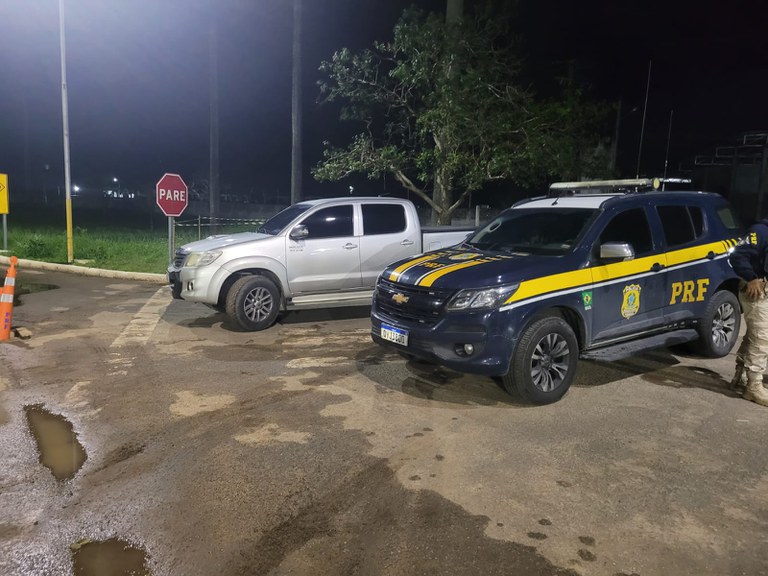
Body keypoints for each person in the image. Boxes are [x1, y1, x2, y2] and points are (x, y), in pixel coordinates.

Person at [729, 221, 768, 407]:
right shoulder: (760, 231)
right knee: (762, 338)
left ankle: (742, 373)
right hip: (756, 291)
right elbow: (737, 255)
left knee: (754, 334)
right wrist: (751, 277)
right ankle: (754, 386)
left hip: (765, 292)